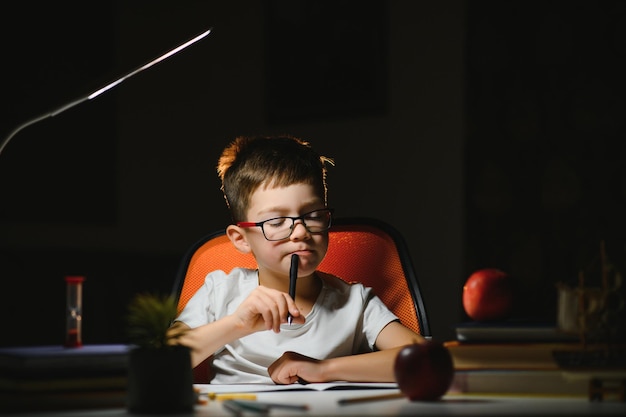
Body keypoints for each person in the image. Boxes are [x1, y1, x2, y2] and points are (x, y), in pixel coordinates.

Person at [168, 134, 425, 384]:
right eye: (276, 221)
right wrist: (236, 325)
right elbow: (158, 364)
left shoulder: (354, 302)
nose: (301, 232)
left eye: (313, 215)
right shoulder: (220, 292)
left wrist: (323, 369)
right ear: (241, 238)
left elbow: (427, 360)